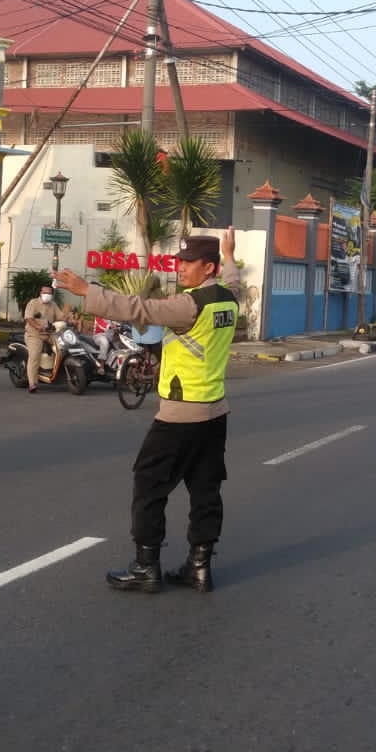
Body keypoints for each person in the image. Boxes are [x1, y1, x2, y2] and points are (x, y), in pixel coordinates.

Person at [55, 230, 240, 594]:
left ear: (208, 268)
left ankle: (146, 565)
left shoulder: (190, 305)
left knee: (148, 483)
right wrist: (231, 254)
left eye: (189, 263)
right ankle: (199, 567)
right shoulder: (228, 300)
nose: (180, 267)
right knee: (205, 489)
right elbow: (232, 278)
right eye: (180, 260)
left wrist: (85, 291)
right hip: (215, 412)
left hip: (180, 414)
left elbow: (139, 309)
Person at [23, 282, 61, 392]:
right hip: (34, 334)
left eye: (49, 293)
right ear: (40, 293)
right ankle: (32, 383)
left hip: (49, 334)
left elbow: (61, 316)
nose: (47, 295)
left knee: (63, 345)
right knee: (35, 355)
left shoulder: (53, 304)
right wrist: (37, 326)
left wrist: (71, 319)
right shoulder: (33, 303)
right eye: (45, 293)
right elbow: (29, 318)